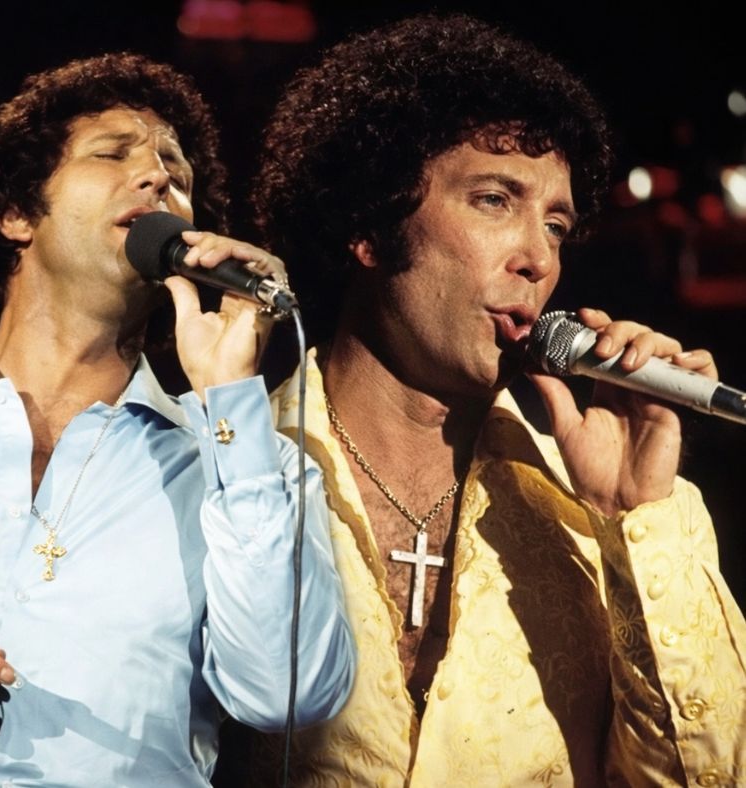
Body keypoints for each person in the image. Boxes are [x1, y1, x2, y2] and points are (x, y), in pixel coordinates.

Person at [0, 52, 354, 786]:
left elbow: (290, 694)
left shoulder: (248, 467)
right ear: (15, 213)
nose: (157, 176)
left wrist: (232, 398)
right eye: (113, 153)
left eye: (177, 171)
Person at [232, 12, 746, 786]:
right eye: (495, 200)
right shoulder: (224, 469)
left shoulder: (608, 513)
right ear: (369, 225)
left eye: (557, 224)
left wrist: (635, 519)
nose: (539, 257)